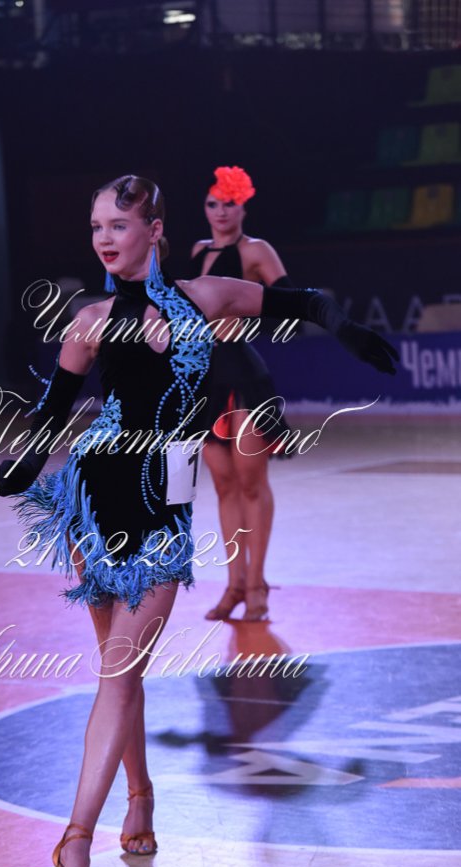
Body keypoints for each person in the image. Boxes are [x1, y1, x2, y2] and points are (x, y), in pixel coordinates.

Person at [0, 175, 397, 867]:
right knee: (118, 672)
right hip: (92, 499)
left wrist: (351, 331)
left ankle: (77, 837)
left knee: (120, 672)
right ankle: (133, 802)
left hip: (162, 510)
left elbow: (300, 302)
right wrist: (22, 464)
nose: (104, 238)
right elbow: (51, 414)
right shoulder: (89, 320)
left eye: (118, 224)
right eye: (95, 227)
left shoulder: (205, 298)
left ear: (155, 229)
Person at [190, 165, 294, 623]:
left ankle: (256, 585)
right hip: (204, 378)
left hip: (245, 374)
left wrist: (253, 310)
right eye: (212, 203)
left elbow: (289, 298)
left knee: (252, 482)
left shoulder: (256, 249)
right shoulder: (197, 252)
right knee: (224, 485)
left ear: (243, 206)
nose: (220, 212)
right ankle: (234, 585)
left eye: (228, 203)